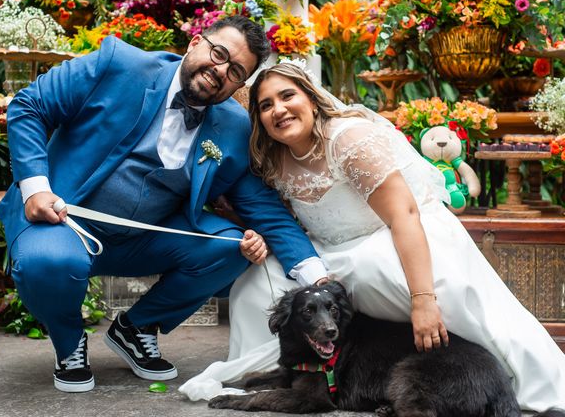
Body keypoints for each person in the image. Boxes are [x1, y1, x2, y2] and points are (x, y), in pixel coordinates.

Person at [179, 62, 565, 411]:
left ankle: (477, 377)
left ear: (312, 99)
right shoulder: (272, 159)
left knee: (372, 269)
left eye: (287, 96)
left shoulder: (348, 140)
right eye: (265, 105)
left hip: (398, 234)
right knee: (257, 282)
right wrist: (251, 234)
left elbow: (405, 214)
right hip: (332, 250)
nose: (278, 109)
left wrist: (423, 301)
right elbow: (282, 223)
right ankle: (297, 375)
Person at [0, 17, 330, 393]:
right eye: (218, 53)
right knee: (49, 261)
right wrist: (36, 188)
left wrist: (319, 278)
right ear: (195, 43)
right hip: (64, 223)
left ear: (241, 85)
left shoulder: (234, 128)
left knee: (233, 246)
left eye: (235, 71)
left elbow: (264, 209)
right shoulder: (118, 64)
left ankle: (137, 327)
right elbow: (30, 105)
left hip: (143, 239)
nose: (220, 70)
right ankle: (69, 340)